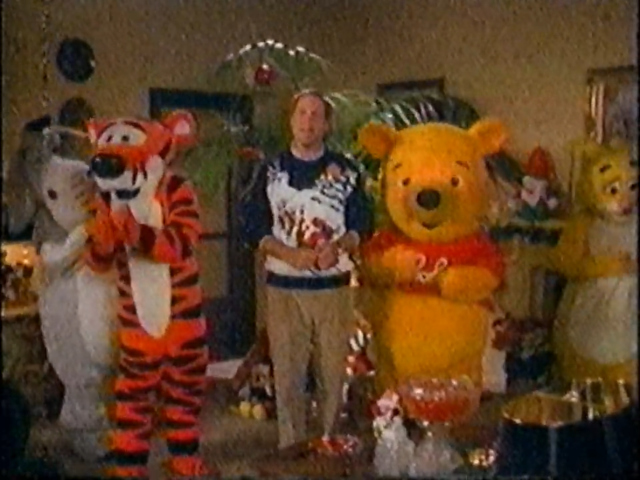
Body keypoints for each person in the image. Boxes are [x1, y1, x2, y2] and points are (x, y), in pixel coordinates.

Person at [241, 89, 374, 449]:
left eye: (316, 115)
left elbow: (363, 222)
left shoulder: (347, 171)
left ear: (327, 124)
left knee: (333, 371)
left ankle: (328, 440)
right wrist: (288, 254)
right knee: (287, 372)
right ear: (291, 120)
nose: (308, 121)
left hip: (334, 289)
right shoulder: (270, 170)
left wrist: (340, 246)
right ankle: (291, 445)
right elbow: (252, 225)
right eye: (302, 113)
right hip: (284, 289)